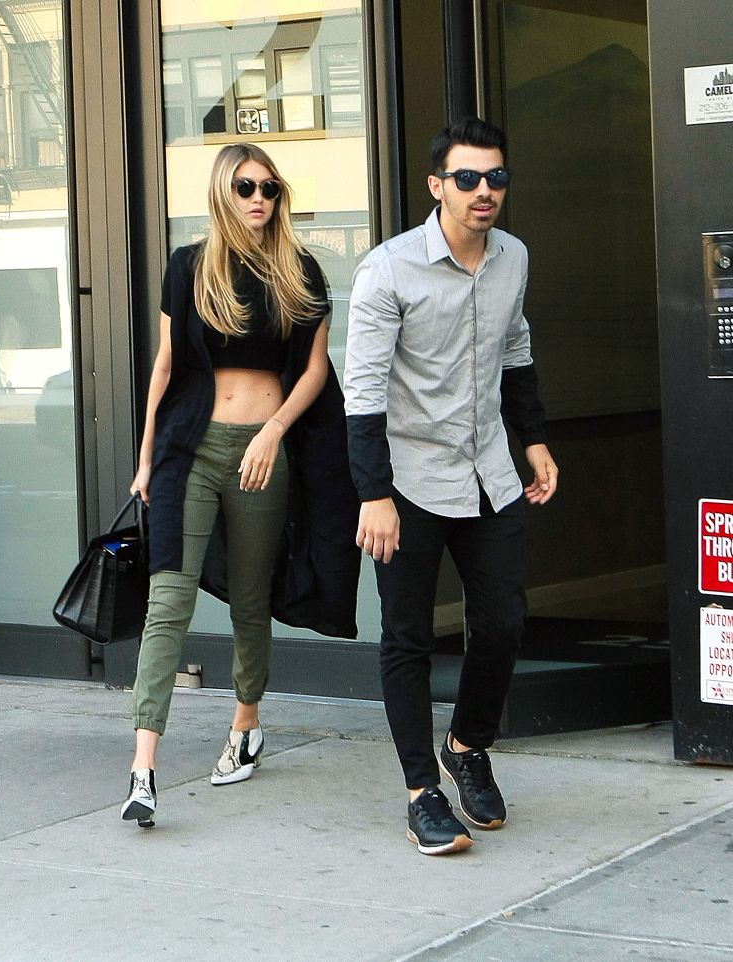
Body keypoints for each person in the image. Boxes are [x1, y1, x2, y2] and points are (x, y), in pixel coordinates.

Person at [121, 143, 359, 827]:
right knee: (168, 599)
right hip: (189, 449)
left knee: (251, 600)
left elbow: (314, 371)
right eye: (248, 187)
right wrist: (144, 460)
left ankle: (246, 724)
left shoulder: (300, 271)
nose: (261, 198)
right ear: (224, 194)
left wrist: (274, 431)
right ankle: (143, 768)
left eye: (271, 188)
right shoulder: (189, 268)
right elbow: (165, 368)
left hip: (263, 450)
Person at [344, 116, 558, 856]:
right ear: (437, 186)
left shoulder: (513, 257)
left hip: (488, 468)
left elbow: (516, 344)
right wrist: (373, 493)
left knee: (502, 621)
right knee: (406, 636)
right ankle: (420, 792)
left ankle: (466, 744)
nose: (484, 191)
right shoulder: (388, 270)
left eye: (496, 176)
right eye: (467, 178)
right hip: (406, 479)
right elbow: (363, 390)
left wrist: (531, 439)